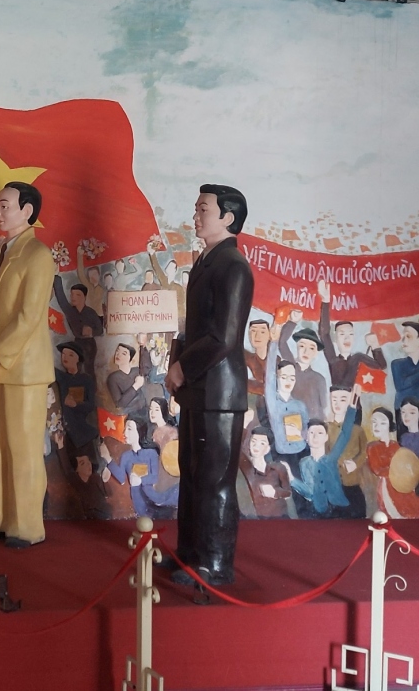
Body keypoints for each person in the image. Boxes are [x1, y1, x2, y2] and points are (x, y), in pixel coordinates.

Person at [163, 184, 254, 588]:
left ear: (228, 218)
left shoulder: (233, 265)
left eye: (203, 209)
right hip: (199, 387)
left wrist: (182, 368)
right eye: (197, 208)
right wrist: (176, 364)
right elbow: (197, 328)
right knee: (192, 473)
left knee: (215, 480)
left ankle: (215, 564)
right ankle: (189, 553)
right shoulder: (206, 261)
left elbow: (224, 337)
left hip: (220, 392)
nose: (195, 216)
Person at [0, 181, 56, 549]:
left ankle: (27, 526)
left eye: (5, 205)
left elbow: (29, 316)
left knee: (23, 448)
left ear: (27, 211)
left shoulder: (39, 255)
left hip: (24, 370)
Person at [100, 418, 179, 519]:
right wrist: (108, 458)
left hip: (154, 499)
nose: (125, 433)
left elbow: (154, 477)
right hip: (138, 501)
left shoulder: (151, 453)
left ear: (139, 431)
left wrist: (140, 480)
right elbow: (121, 478)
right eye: (125, 429)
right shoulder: (126, 456)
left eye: (129, 429)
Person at [318, 280, 385, 389]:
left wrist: (375, 345)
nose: (347, 338)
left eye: (350, 334)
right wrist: (325, 301)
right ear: (335, 339)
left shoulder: (358, 358)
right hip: (337, 397)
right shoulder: (333, 360)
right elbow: (324, 333)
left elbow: (381, 366)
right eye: (342, 334)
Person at [257, 344, 309, 475]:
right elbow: (269, 374)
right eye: (284, 377)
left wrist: (300, 433)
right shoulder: (273, 402)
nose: (288, 381)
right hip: (280, 454)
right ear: (277, 378)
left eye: (292, 378)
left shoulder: (300, 405)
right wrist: (274, 342)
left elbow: (308, 431)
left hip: (301, 453)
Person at [289, 414, 354, 519]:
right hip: (318, 511)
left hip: (340, 509)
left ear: (326, 437)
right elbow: (310, 492)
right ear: (306, 437)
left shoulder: (331, 459)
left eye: (320, 433)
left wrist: (352, 409)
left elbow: (345, 435)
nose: (315, 437)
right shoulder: (304, 463)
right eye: (311, 433)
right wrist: (292, 479)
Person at [366, 407, 419, 519]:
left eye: (382, 423)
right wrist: (396, 471)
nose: (377, 426)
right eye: (374, 422)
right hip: (387, 486)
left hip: (402, 483)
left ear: (389, 425)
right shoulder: (372, 447)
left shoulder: (396, 445)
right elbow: (377, 470)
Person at [327, 385, 369, 519]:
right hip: (333, 486)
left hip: (353, 484)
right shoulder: (326, 428)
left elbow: (365, 452)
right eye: (334, 399)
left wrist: (355, 464)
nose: (337, 403)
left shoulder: (357, 430)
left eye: (343, 399)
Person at [278, 315, 329, 422]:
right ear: (296, 347)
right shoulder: (290, 369)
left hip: (312, 425)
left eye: (311, 348)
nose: (306, 352)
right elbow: (282, 342)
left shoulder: (319, 379)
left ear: (316, 353)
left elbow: (323, 408)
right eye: (302, 346)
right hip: (289, 421)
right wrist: (293, 321)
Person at [55, 341, 98, 463]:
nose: (65, 357)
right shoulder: (60, 377)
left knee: (89, 464)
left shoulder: (86, 380)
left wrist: (76, 405)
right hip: (64, 433)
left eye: (70, 355)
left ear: (78, 359)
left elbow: (90, 405)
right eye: (63, 354)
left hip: (82, 432)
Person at [52, 276, 103, 374]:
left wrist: (91, 332)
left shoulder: (91, 312)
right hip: (77, 343)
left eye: (78, 295)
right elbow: (61, 297)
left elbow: (100, 330)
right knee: (75, 370)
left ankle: (90, 384)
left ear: (84, 297)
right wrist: (56, 278)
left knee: (88, 369)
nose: (73, 297)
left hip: (89, 345)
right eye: (72, 294)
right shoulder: (70, 311)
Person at [238, 426, 292, 519]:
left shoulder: (278, 468)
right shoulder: (246, 468)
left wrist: (275, 493)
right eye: (253, 441)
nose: (256, 446)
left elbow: (288, 492)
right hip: (257, 519)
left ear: (267, 449)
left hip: (280, 518)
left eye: (262, 443)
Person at [107, 343, 147, 418]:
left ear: (130, 358)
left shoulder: (137, 371)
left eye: (123, 354)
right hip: (128, 415)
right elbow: (119, 404)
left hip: (144, 410)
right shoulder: (113, 378)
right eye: (117, 351)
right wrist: (135, 386)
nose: (118, 355)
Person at [394, 323, 419, 418]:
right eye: (403, 336)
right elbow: (401, 385)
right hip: (403, 412)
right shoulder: (397, 364)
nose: (403, 340)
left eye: (408, 336)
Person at [244, 319, 271, 399]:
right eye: (253, 331)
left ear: (269, 335)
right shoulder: (245, 357)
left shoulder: (276, 361)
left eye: (262, 332)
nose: (257, 336)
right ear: (249, 334)